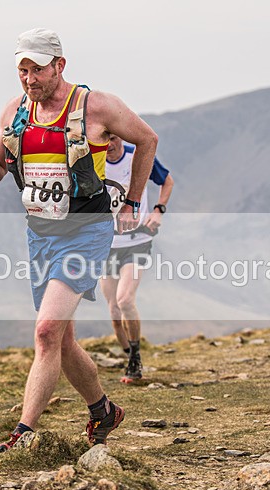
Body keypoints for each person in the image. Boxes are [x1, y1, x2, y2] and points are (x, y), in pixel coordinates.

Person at [0, 28, 158, 453]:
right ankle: (103, 409)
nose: (30, 79)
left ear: (60, 66)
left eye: (38, 69)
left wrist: (133, 201)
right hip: (41, 234)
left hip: (87, 231)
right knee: (62, 340)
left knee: (46, 331)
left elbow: (148, 139)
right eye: (22, 70)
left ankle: (23, 435)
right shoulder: (15, 112)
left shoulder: (97, 106)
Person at [99, 135, 174, 383]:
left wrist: (158, 211)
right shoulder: (92, 157)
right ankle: (129, 354)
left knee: (125, 300)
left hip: (137, 240)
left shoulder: (136, 154)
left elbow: (167, 182)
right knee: (113, 312)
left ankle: (135, 361)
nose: (110, 144)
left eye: (113, 138)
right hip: (106, 244)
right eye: (104, 139)